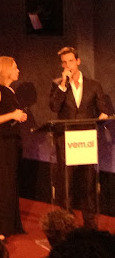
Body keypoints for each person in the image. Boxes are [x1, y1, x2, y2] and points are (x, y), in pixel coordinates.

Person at [49, 46, 109, 229]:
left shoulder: (94, 85)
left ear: (78, 61)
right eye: (64, 62)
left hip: (86, 140)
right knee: (66, 185)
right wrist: (63, 84)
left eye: (71, 61)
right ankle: (66, 224)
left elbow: (103, 109)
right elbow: (54, 107)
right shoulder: (58, 85)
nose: (68, 65)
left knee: (89, 183)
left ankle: (90, 224)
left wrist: (103, 116)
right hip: (66, 140)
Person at [0, 56, 28, 241]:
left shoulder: (10, 90)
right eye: (15, 67)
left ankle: (11, 225)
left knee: (11, 182)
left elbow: (8, 116)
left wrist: (18, 117)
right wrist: (12, 115)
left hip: (12, 140)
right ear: (6, 70)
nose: (18, 70)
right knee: (5, 183)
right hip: (2, 141)